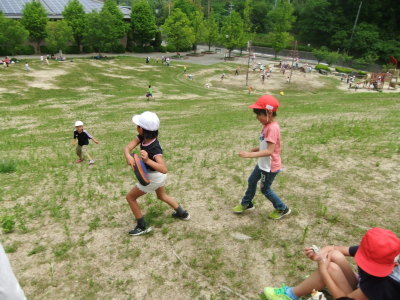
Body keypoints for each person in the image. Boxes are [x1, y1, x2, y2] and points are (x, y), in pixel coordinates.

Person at [263, 227, 400, 300]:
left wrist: (323, 270)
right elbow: (334, 249)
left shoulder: (384, 285)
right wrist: (320, 254)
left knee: (330, 270)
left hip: (369, 293)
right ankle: (307, 287)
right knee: (334, 256)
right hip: (365, 287)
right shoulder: (384, 253)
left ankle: (290, 295)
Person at [124, 111, 191, 236]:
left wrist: (147, 160)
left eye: (138, 126)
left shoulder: (154, 148)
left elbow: (164, 168)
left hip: (154, 176)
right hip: (159, 177)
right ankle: (182, 213)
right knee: (161, 196)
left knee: (130, 198)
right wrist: (128, 156)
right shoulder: (142, 137)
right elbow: (127, 148)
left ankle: (142, 226)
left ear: (143, 130)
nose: (136, 127)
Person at [232, 95, 291, 220]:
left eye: (259, 114)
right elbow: (268, 145)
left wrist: (250, 155)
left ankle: (282, 208)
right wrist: (257, 149)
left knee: (265, 190)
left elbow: (270, 151)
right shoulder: (267, 126)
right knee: (251, 181)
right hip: (262, 163)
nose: (257, 117)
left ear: (268, 113)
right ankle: (246, 203)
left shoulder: (273, 128)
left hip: (269, 167)